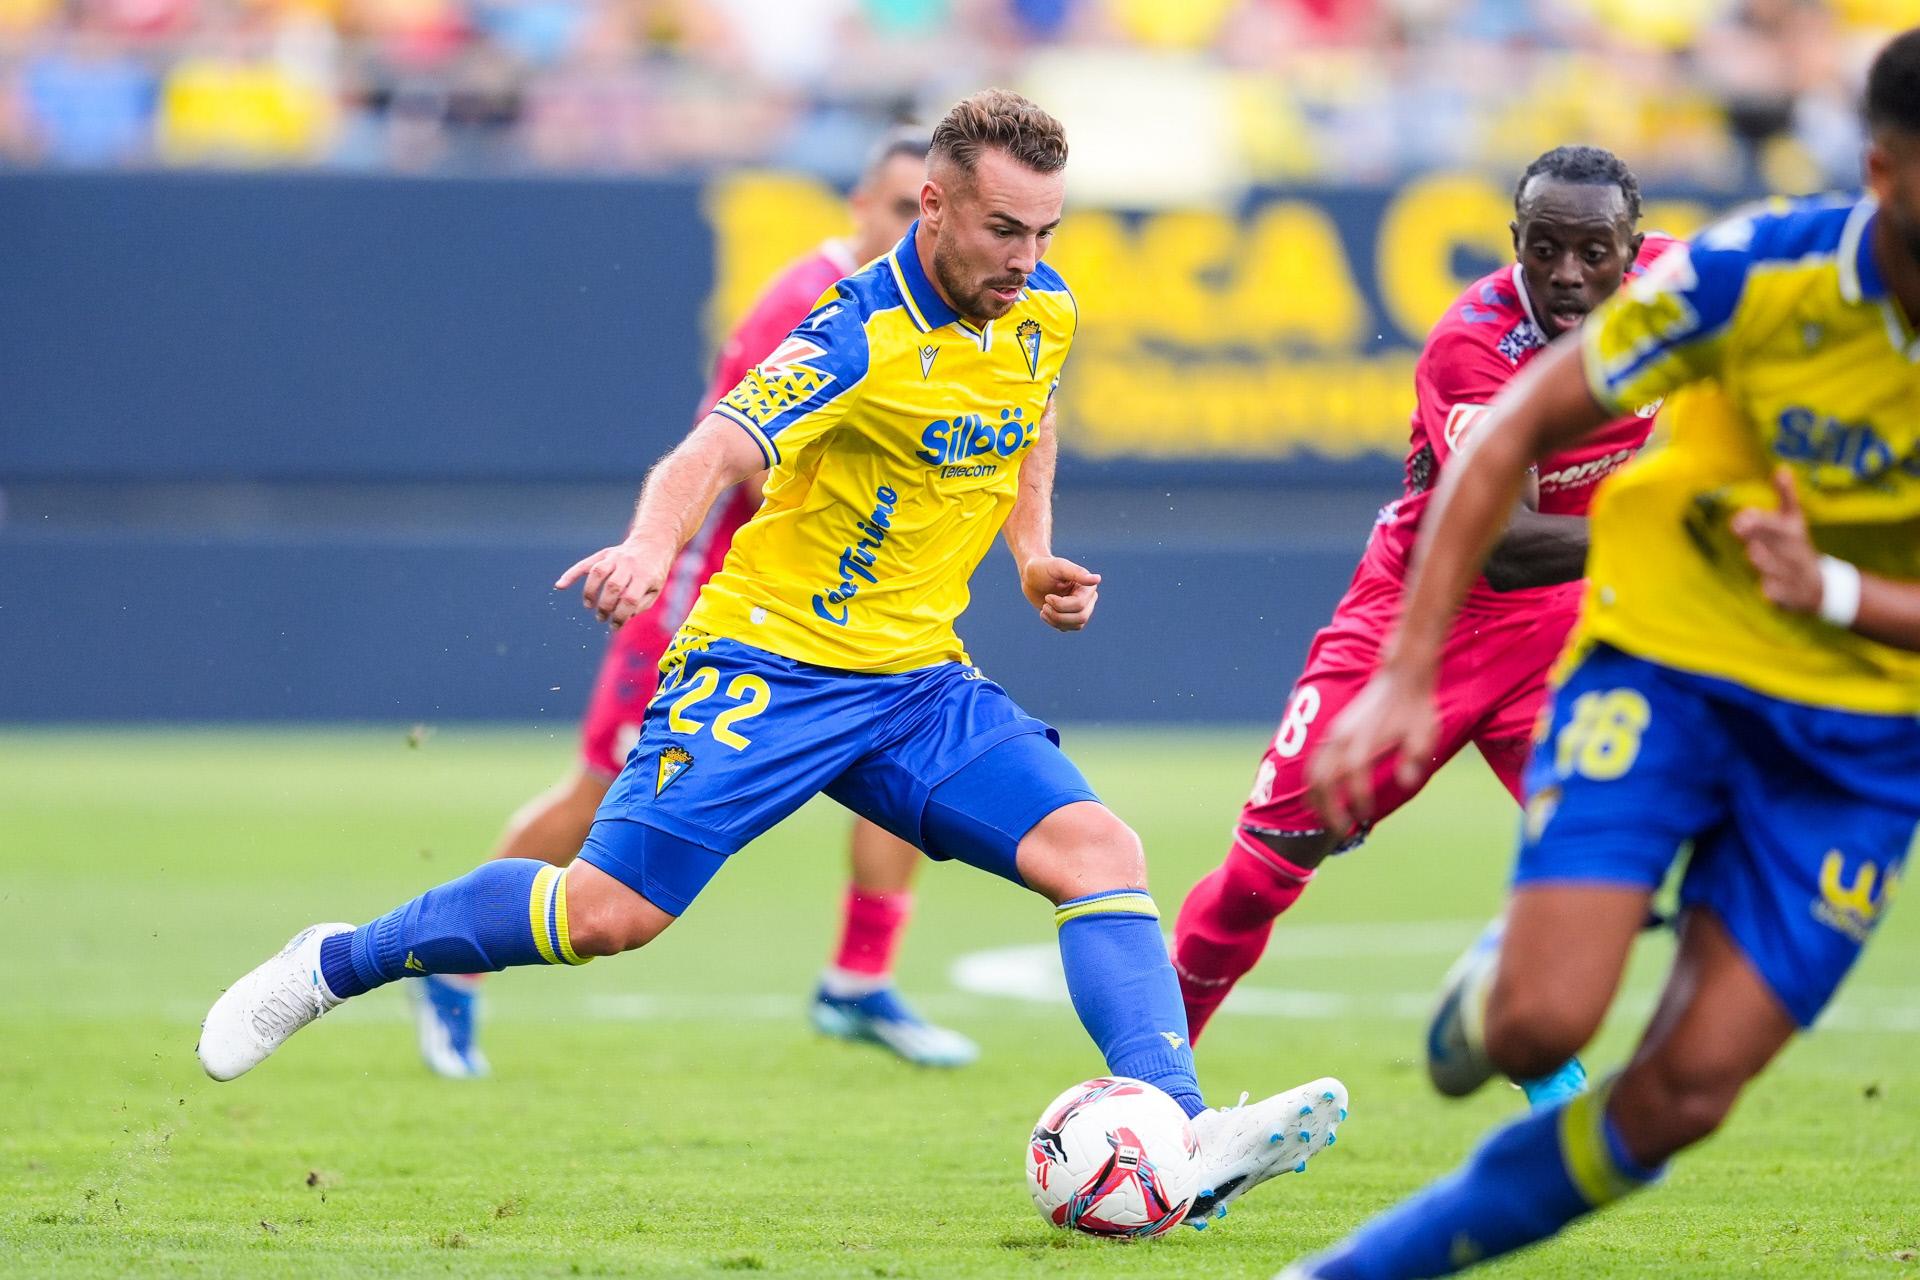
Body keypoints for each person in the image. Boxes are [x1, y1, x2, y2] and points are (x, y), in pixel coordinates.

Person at [199, 88, 1347, 1225]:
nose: (1029, 256)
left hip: (913, 683)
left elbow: (1030, 416)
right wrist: (653, 545)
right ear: (932, 206)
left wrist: (1032, 550)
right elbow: (712, 445)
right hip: (768, 666)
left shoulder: (1041, 308)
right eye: (1006, 230)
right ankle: (338, 960)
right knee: (605, 917)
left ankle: (1184, 1130)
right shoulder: (853, 326)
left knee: (1099, 846)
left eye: (1048, 231)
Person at [1281, 28, 1920, 1279]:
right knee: (1536, 1027)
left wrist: (1834, 587)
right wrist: (1406, 674)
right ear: (1889, 174)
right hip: (1671, 669)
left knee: (1681, 1093)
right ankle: (1496, 991)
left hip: (1862, 744)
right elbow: (1519, 419)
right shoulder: (1761, 271)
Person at [410, 128, 979, 1080]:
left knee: (907, 758)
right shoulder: (813, 304)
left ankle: (858, 981)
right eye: (893, 207)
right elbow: (748, 468)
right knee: (598, 798)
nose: (906, 228)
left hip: (839, 601)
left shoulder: (934, 317)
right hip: (715, 599)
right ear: (867, 208)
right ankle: (454, 967)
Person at [1172, 146, 1671, 1109]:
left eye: (1593, 252)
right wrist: (1676, 526)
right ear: (1514, 244)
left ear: (1634, 251)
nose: (1568, 274)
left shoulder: (1684, 289)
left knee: (1618, 851)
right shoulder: (1474, 344)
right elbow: (1508, 545)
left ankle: (1538, 1057)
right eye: (1544, 249)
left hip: (1564, 629)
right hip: (1420, 622)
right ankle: (1155, 1088)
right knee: (1263, 874)